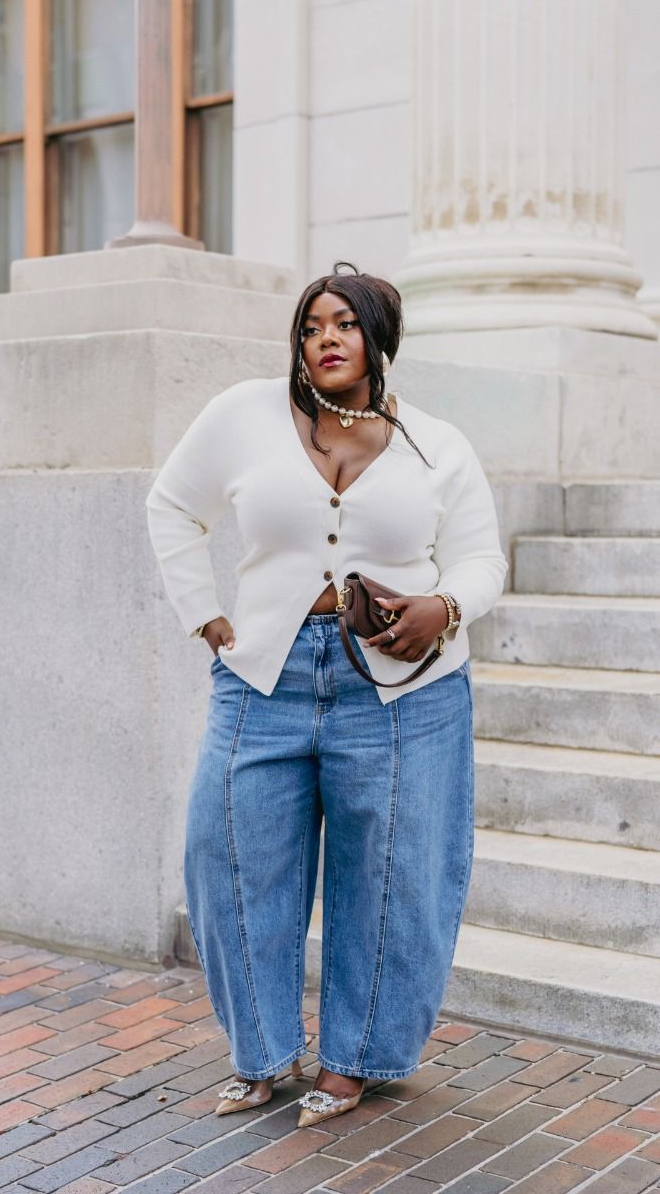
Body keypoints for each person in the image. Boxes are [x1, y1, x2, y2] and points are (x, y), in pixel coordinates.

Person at [145, 260, 508, 1128]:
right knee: (228, 856)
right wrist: (205, 615)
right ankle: (263, 1055)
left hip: (402, 691)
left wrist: (442, 607)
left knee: (391, 878)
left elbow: (481, 558)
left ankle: (354, 1063)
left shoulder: (436, 444)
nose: (325, 340)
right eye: (311, 327)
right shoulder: (243, 414)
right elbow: (171, 506)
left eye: (343, 324)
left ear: (379, 337)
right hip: (263, 677)